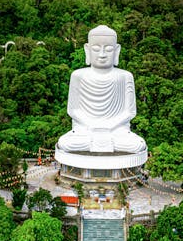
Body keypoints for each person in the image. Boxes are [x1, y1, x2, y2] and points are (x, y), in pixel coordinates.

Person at [57, 25, 146, 153]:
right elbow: (73, 110)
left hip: (117, 130)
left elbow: (129, 112)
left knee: (137, 145)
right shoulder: (78, 76)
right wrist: (92, 126)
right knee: (65, 143)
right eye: (96, 49)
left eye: (109, 49)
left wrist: (109, 127)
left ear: (117, 50)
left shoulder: (125, 76)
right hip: (85, 130)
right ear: (87, 50)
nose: (102, 54)